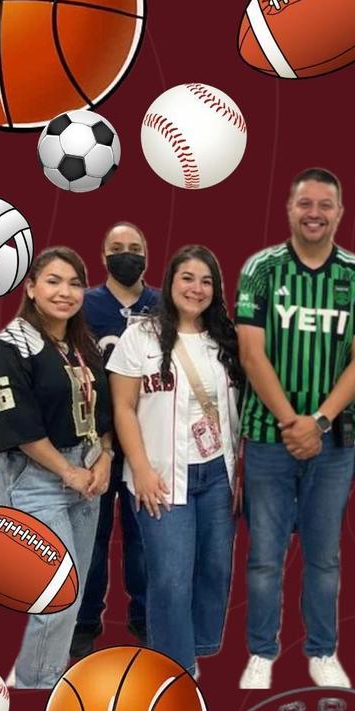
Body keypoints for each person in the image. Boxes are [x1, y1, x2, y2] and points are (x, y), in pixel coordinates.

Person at [235, 167, 355, 689]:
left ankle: (322, 651)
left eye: (326, 204)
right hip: (269, 439)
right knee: (264, 559)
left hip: (334, 443)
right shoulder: (262, 269)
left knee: (324, 557)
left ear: (340, 213)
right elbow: (252, 353)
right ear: (290, 209)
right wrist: (290, 423)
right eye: (305, 203)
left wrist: (317, 422)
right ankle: (261, 653)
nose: (315, 212)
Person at [0, 247, 113, 689]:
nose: (66, 292)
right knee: (55, 598)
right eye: (54, 281)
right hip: (38, 479)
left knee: (70, 599)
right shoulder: (10, 347)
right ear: (31, 288)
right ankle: (36, 688)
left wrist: (105, 458)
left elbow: (105, 413)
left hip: (87, 475)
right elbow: (19, 427)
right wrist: (68, 471)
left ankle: (45, 675)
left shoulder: (81, 344)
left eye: (75, 283)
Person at [107, 245, 241, 676]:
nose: (196, 288)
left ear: (215, 290)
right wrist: (141, 469)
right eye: (187, 277)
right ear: (170, 282)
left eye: (206, 281)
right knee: (169, 575)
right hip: (161, 474)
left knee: (216, 566)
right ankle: (176, 664)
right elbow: (124, 407)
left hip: (217, 473)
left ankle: (199, 641)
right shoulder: (140, 336)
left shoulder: (226, 338)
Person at [70, 221, 159, 659]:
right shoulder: (82, 305)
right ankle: (84, 622)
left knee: (145, 537)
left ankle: (145, 617)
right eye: (117, 247)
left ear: (147, 254)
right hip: (94, 442)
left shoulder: (163, 304)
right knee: (93, 536)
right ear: (103, 256)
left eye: (135, 247)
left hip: (150, 441)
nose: (127, 254)